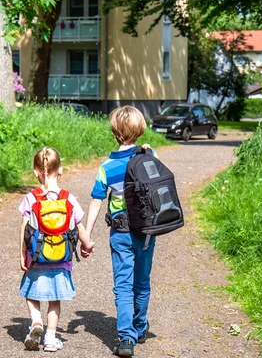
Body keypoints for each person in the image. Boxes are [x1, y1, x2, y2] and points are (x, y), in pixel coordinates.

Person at [82, 106, 157, 357]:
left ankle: (126, 339)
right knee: (142, 281)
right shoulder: (149, 156)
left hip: (121, 232)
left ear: (115, 132)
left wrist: (87, 235)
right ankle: (140, 326)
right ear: (140, 129)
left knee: (123, 285)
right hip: (146, 231)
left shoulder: (108, 166)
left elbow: (96, 200)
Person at [18, 147, 94, 352]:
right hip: (61, 258)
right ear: (60, 170)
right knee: (54, 300)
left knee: (31, 294)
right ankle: (50, 339)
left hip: (35, 257)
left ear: (35, 172)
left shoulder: (31, 198)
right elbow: (79, 226)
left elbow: (25, 228)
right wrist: (87, 244)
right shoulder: (68, 198)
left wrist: (21, 254)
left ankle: (35, 322)